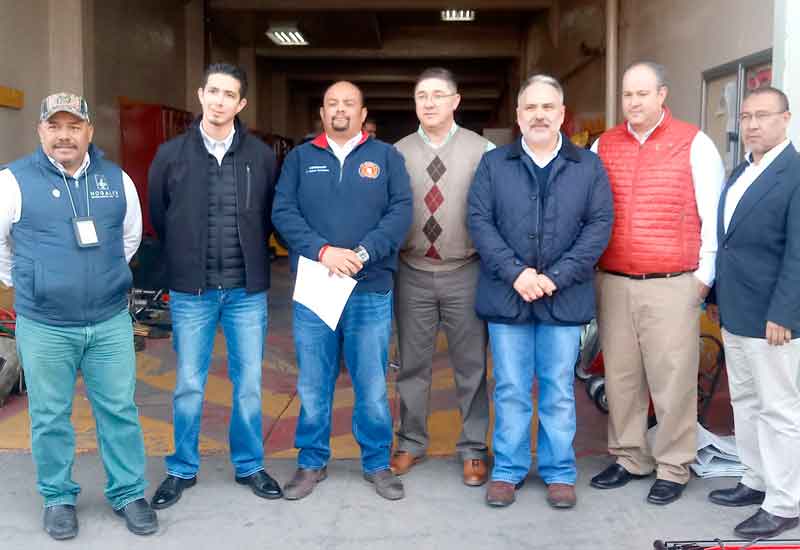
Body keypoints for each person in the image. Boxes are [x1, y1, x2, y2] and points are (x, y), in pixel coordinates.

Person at [0, 93, 156, 538]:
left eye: (74, 126)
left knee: (119, 410)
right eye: (55, 126)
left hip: (108, 322)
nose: (64, 135)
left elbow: (128, 241)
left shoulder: (116, 179)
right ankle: (57, 497)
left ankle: (128, 492)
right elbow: (1, 249)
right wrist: (36, 283)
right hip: (45, 325)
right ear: (40, 131)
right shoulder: (12, 182)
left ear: (89, 131)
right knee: (49, 414)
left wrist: (101, 279)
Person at [468, 75, 613, 508]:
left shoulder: (587, 166)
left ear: (562, 114)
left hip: (563, 297)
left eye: (548, 107)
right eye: (530, 108)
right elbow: (480, 221)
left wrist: (554, 277)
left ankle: (559, 472)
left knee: (557, 389)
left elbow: (598, 226)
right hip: (506, 294)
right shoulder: (495, 164)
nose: (539, 115)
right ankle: (508, 471)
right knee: (510, 387)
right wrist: (517, 274)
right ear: (518, 116)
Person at [589, 61, 725, 505]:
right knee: (622, 377)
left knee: (672, 379)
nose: (633, 103)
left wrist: (702, 280)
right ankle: (630, 457)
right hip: (614, 281)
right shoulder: (603, 146)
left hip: (673, 282)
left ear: (662, 95)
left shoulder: (694, 144)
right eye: (627, 95)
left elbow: (713, 216)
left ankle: (673, 464)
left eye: (642, 94)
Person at [148, 63, 281, 509]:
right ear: (200, 94)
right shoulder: (170, 154)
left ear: (241, 104)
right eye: (214, 92)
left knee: (249, 383)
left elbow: (269, 215)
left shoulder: (261, 156)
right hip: (193, 292)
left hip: (246, 291)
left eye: (230, 95)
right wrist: (186, 260)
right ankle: (181, 468)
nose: (220, 101)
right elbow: (160, 215)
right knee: (188, 381)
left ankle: (249, 465)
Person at [272, 80, 412, 501]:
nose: (340, 110)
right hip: (316, 285)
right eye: (332, 103)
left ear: (363, 112)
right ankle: (312, 461)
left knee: (371, 382)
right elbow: (283, 210)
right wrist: (323, 251)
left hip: (369, 288)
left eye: (349, 103)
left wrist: (365, 252)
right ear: (322, 112)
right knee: (314, 381)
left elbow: (401, 210)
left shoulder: (386, 157)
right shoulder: (300, 158)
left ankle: (376, 463)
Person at [706, 86, 800, 539]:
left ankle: (784, 503)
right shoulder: (741, 171)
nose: (752, 125)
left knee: (779, 409)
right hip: (737, 312)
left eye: (763, 116)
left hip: (773, 320)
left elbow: (799, 254)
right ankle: (756, 480)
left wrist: (785, 312)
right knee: (745, 403)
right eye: (746, 116)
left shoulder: (795, 173)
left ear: (786, 119)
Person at [391, 67, 493, 486]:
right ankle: (410, 442)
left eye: (438, 95)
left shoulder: (483, 150)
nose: (429, 103)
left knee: (470, 367)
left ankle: (473, 448)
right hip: (412, 270)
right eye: (421, 96)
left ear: (456, 100)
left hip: (464, 271)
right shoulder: (395, 152)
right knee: (412, 366)